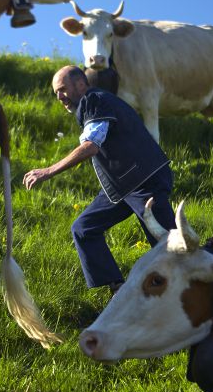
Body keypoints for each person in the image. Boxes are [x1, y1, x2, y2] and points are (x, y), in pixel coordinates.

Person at [23, 65, 175, 293]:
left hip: (143, 181)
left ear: (81, 84)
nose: (59, 96)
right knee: (84, 229)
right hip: (121, 187)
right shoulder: (96, 103)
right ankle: (117, 290)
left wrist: (48, 171)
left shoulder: (93, 100)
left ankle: (205, 294)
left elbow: (91, 146)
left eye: (63, 89)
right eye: (56, 92)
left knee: (171, 249)